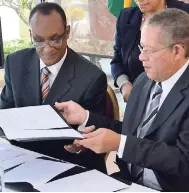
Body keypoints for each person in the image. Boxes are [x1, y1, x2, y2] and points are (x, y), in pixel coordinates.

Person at [56, 9, 189, 191]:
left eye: (149, 50)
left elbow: (182, 159)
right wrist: (86, 119)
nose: (141, 57)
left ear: (177, 51)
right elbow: (131, 133)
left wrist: (120, 144)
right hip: (127, 180)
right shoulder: (144, 80)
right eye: (141, 48)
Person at [0, 2, 107, 172]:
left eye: (55, 38)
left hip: (69, 166)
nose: (47, 48)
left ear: (67, 32)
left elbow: (98, 133)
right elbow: (5, 114)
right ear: (31, 35)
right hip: (22, 163)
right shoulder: (15, 63)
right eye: (39, 40)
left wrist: (83, 145)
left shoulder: (91, 78)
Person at [111, 0, 189, 102]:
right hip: (138, 98)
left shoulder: (185, 14)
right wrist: (124, 85)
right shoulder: (126, 17)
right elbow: (117, 60)